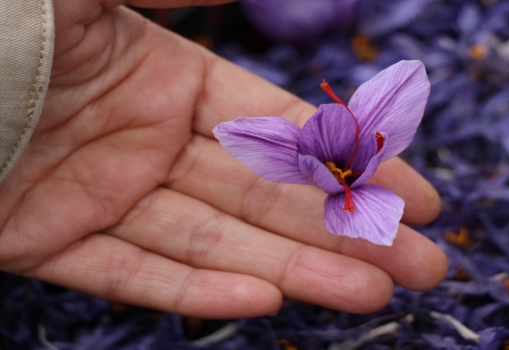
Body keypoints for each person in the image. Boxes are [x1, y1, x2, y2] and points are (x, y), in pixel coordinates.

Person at [0, 0, 447, 319]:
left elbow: (405, 78)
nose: (336, 171)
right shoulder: (302, 154)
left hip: (356, 200)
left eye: (338, 172)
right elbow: (239, 132)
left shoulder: (365, 153)